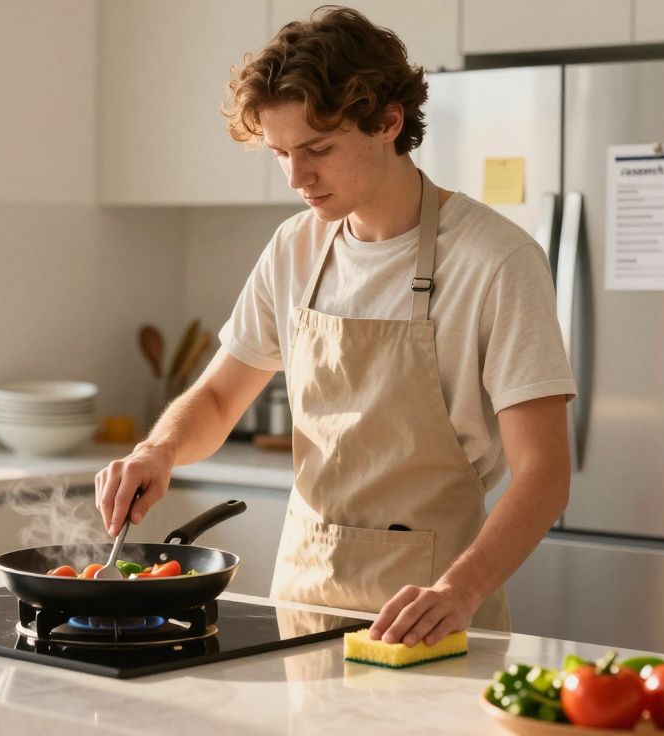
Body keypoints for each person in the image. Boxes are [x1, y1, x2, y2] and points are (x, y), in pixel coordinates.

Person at [95, 6, 575, 647]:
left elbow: (545, 473)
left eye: (318, 149)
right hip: (299, 603)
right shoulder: (294, 248)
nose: (297, 178)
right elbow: (215, 399)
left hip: (430, 617)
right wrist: (160, 449)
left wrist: (460, 591)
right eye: (281, 154)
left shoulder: (497, 260)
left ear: (387, 122)